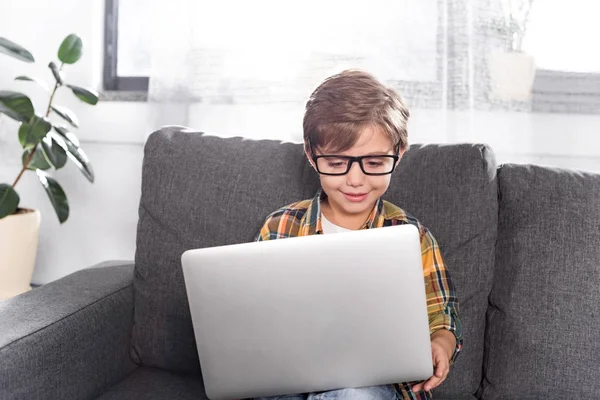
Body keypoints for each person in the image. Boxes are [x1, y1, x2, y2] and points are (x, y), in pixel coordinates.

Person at [254, 70, 462, 400]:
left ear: (400, 153)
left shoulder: (412, 237)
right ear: (311, 155)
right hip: (293, 376)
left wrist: (440, 343)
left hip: (374, 385)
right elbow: (253, 313)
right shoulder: (280, 227)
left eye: (375, 162)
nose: (355, 180)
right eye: (337, 163)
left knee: (352, 394)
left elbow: (442, 316)